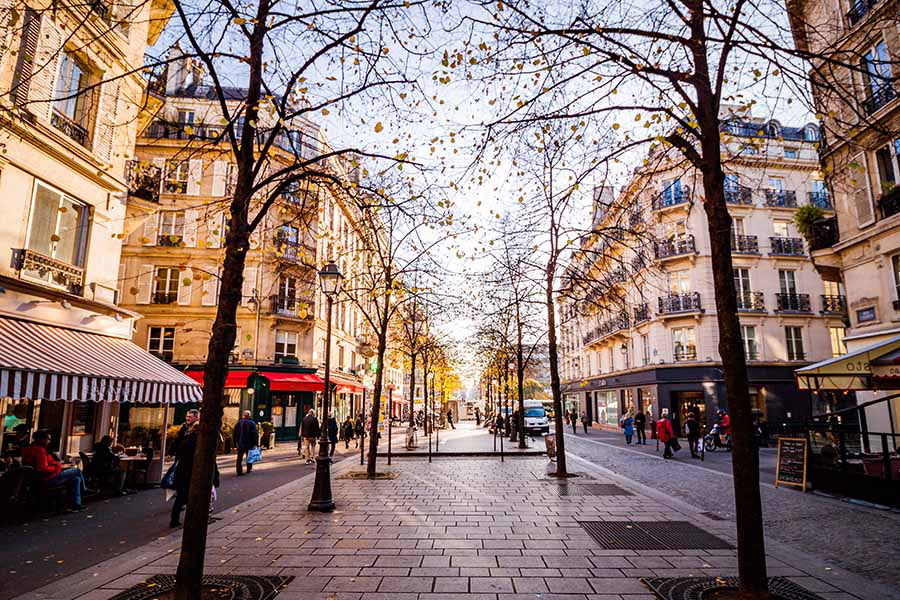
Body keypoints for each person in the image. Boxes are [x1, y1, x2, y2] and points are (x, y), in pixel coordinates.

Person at [22, 431, 88, 511]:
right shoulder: (39, 451)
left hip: (39, 479)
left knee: (76, 479)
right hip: (48, 478)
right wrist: (56, 467)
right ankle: (85, 489)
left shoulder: (30, 449)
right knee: (77, 470)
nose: (49, 441)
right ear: (42, 440)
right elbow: (43, 469)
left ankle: (76, 503)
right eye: (48, 439)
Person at [170, 420, 219, 527]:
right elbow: (209, 460)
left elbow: (178, 453)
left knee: (181, 497)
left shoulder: (186, 439)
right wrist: (215, 477)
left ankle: (174, 519)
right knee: (197, 496)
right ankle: (195, 519)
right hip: (196, 472)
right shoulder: (202, 442)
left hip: (183, 471)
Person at [233, 410, 259, 476]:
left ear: (243, 415)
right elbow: (255, 434)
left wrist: (235, 442)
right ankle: (249, 469)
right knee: (249, 456)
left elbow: (234, 433)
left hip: (240, 443)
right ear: (249, 415)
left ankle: (239, 471)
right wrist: (255, 443)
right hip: (249, 443)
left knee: (239, 458)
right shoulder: (252, 423)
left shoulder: (239, 423)